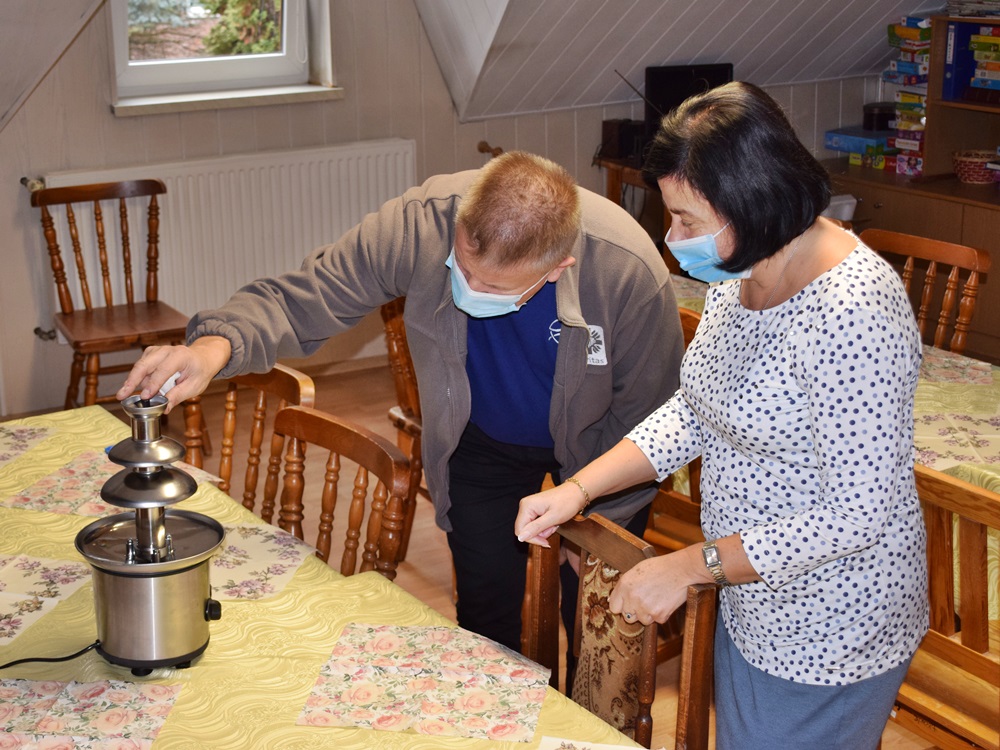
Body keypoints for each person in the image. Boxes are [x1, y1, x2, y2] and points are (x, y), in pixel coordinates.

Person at [117, 150, 684, 654]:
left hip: (600, 453)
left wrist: (600, 519)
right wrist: (215, 346)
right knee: (486, 616)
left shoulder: (626, 271)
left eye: (492, 287)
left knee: (596, 624)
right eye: (462, 267)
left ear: (558, 267)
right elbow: (308, 295)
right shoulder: (422, 223)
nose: (469, 289)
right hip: (480, 439)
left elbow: (651, 420)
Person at [515, 83, 928, 749]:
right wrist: (580, 488)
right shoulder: (742, 275)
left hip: (831, 623)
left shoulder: (854, 312)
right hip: (750, 593)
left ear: (754, 201)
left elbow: (856, 515)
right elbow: (696, 412)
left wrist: (688, 567)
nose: (673, 238)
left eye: (687, 220)